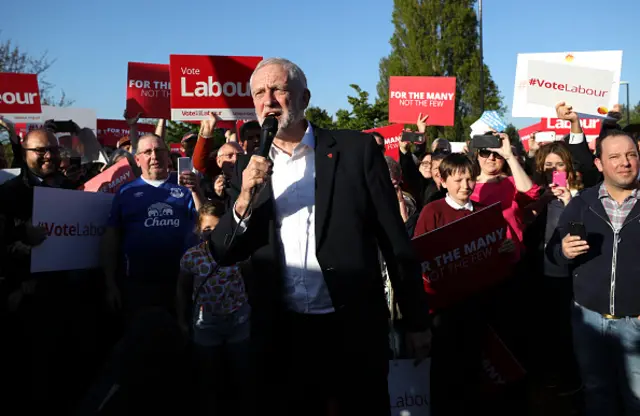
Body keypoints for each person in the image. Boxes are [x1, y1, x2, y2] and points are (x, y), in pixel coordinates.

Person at [208, 57, 431, 416]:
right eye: (259, 93)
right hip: (285, 333)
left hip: (352, 327)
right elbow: (223, 251)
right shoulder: (247, 168)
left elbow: (395, 241)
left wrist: (417, 322)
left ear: (304, 97)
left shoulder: (355, 151)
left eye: (278, 89)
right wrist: (245, 196)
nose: (269, 100)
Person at [546, 130, 640, 416]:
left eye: (631, 155)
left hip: (635, 325)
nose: (624, 162)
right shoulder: (582, 203)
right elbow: (552, 259)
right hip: (588, 321)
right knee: (597, 394)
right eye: (614, 157)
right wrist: (564, 252)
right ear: (598, 164)